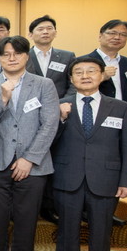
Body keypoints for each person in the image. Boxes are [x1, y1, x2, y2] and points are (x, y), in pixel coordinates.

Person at [50, 56, 127, 251]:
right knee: (67, 230)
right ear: (71, 79)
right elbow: (47, 142)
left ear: (101, 76)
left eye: (91, 71)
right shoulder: (59, 105)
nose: (85, 76)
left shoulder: (121, 107)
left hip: (106, 179)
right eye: (79, 72)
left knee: (101, 232)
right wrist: (60, 119)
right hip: (67, 177)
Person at [0, 36, 59, 251]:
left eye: (17, 53)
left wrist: (29, 158)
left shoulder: (44, 84)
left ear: (26, 56)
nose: (11, 58)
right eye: (6, 54)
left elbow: (50, 124)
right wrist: (2, 101)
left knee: (27, 218)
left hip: (33, 165)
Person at [26, 15, 77, 225]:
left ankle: (49, 206)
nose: (45, 32)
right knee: (31, 160)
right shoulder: (24, 56)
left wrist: (58, 105)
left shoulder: (67, 56)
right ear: (31, 34)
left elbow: (73, 84)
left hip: (60, 115)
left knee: (54, 161)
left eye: (49, 28)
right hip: (29, 116)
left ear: (55, 32)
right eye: (40, 29)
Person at [85, 19, 127, 137]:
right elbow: (79, 89)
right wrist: (102, 77)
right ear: (100, 36)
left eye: (123, 34)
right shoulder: (84, 61)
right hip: (95, 118)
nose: (117, 37)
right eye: (112, 33)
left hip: (124, 117)